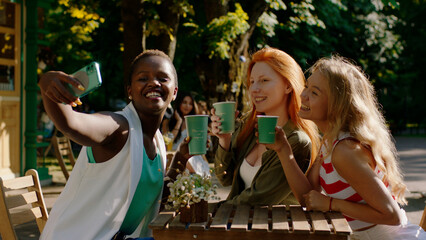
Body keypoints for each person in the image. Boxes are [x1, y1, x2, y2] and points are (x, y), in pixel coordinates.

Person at [38, 50, 194, 240]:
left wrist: (181, 158)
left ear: (175, 92)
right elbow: (72, 125)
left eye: (163, 78)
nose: (154, 83)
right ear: (129, 91)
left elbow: (157, 199)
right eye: (143, 78)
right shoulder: (118, 127)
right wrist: (47, 82)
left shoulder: (157, 140)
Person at [266, 55, 426, 239]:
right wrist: (283, 150)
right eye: (307, 86)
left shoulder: (345, 151)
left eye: (314, 92)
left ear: (337, 106)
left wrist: (331, 204)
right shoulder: (330, 142)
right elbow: (308, 197)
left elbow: (392, 215)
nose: (303, 95)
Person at [211, 47, 320, 206]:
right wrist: (224, 140)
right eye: (252, 82)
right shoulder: (250, 127)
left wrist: (207, 210)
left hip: (275, 228)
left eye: (264, 80)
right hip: (241, 223)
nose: (254, 89)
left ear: (288, 86)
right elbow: (224, 177)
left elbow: (257, 199)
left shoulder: (296, 141)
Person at [166, 92, 211, 176]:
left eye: (190, 104)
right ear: (179, 103)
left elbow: (204, 146)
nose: (187, 106)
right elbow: (168, 142)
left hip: (192, 159)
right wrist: (179, 122)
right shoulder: (169, 122)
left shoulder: (196, 122)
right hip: (173, 158)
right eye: (184, 102)